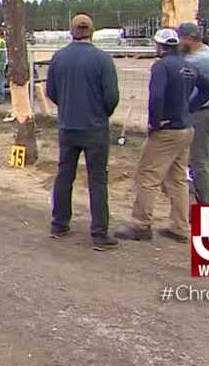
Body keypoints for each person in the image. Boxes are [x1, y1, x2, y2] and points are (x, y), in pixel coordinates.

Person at [114, 28, 209, 242]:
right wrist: (189, 108)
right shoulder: (188, 66)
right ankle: (180, 226)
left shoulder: (161, 66)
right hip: (186, 129)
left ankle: (141, 224)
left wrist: (155, 122)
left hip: (167, 130)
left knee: (147, 176)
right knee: (178, 178)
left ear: (159, 46)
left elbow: (156, 96)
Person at [46, 14, 121, 250]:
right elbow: (112, 97)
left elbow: (51, 91)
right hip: (95, 128)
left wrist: (67, 107)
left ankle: (59, 223)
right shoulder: (102, 59)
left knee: (64, 174)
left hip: (68, 126)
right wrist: (100, 114)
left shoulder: (59, 58)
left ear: (71, 32)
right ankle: (99, 233)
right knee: (97, 179)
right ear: (92, 31)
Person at [178, 22, 209, 204]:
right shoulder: (201, 53)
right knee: (190, 162)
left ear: (188, 39)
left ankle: (205, 207)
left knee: (198, 163)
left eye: (179, 39)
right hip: (198, 113)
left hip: (202, 115)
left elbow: (174, 66)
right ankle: (193, 204)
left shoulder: (200, 59)